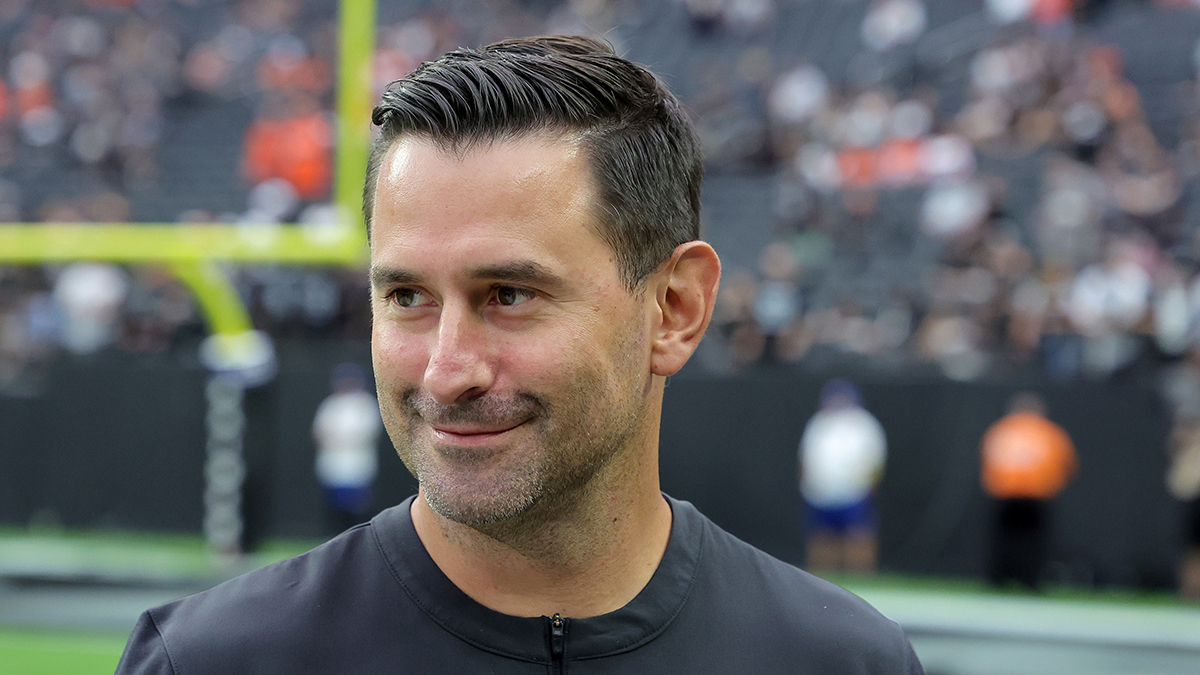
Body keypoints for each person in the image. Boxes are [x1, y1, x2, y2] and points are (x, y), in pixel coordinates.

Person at [116, 36, 924, 674]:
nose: (446, 370)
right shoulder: (213, 660)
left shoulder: (843, 661)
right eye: (407, 296)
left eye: (508, 294)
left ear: (675, 309)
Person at [980, 391, 1077, 591]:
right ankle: (1031, 580)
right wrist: (1053, 485)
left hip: (1005, 493)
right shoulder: (1049, 431)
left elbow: (988, 459)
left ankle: (998, 580)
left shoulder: (1001, 429)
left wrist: (994, 485)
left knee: (1002, 540)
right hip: (1037, 494)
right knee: (1034, 542)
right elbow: (1067, 463)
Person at [798, 378, 888, 574]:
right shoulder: (819, 423)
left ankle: (861, 580)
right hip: (820, 494)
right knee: (822, 537)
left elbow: (875, 459)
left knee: (858, 535)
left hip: (854, 493)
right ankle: (820, 580)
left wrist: (867, 488)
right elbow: (805, 458)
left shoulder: (864, 424)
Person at [312, 362, 383, 535]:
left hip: (357, 465)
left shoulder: (365, 404)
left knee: (356, 507)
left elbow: (366, 433)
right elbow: (319, 432)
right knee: (334, 508)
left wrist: (341, 437)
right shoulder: (331, 404)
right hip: (333, 464)